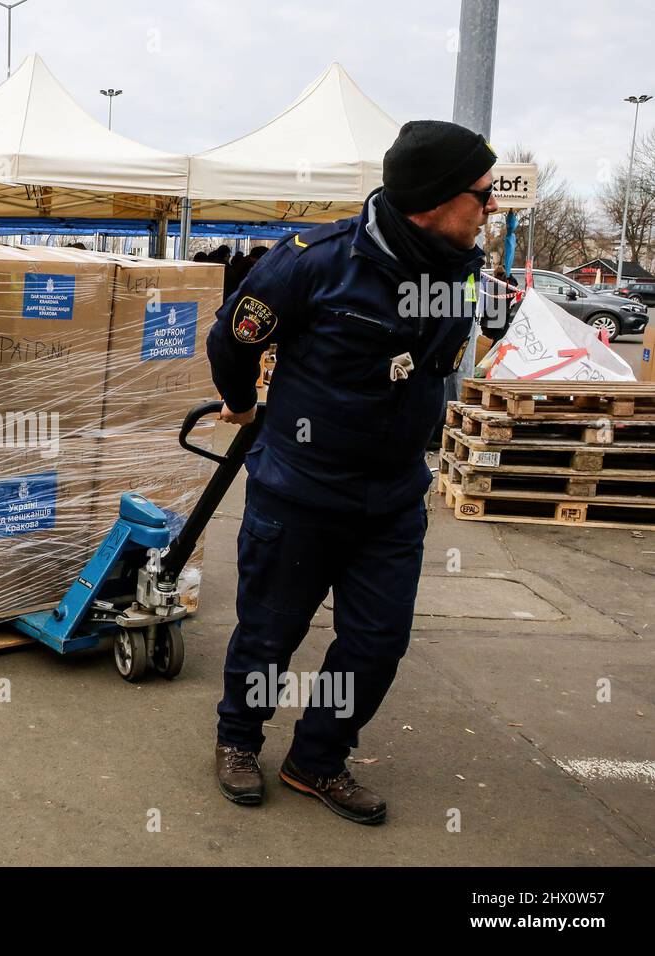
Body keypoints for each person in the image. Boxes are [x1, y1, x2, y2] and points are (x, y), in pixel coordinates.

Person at [206, 119, 496, 825]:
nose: (493, 209)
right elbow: (232, 336)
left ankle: (317, 760)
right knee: (270, 632)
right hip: (302, 490)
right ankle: (239, 741)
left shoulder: (459, 271)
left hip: (394, 497)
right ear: (434, 198)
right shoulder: (316, 259)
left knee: (376, 642)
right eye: (484, 195)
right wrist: (244, 406)